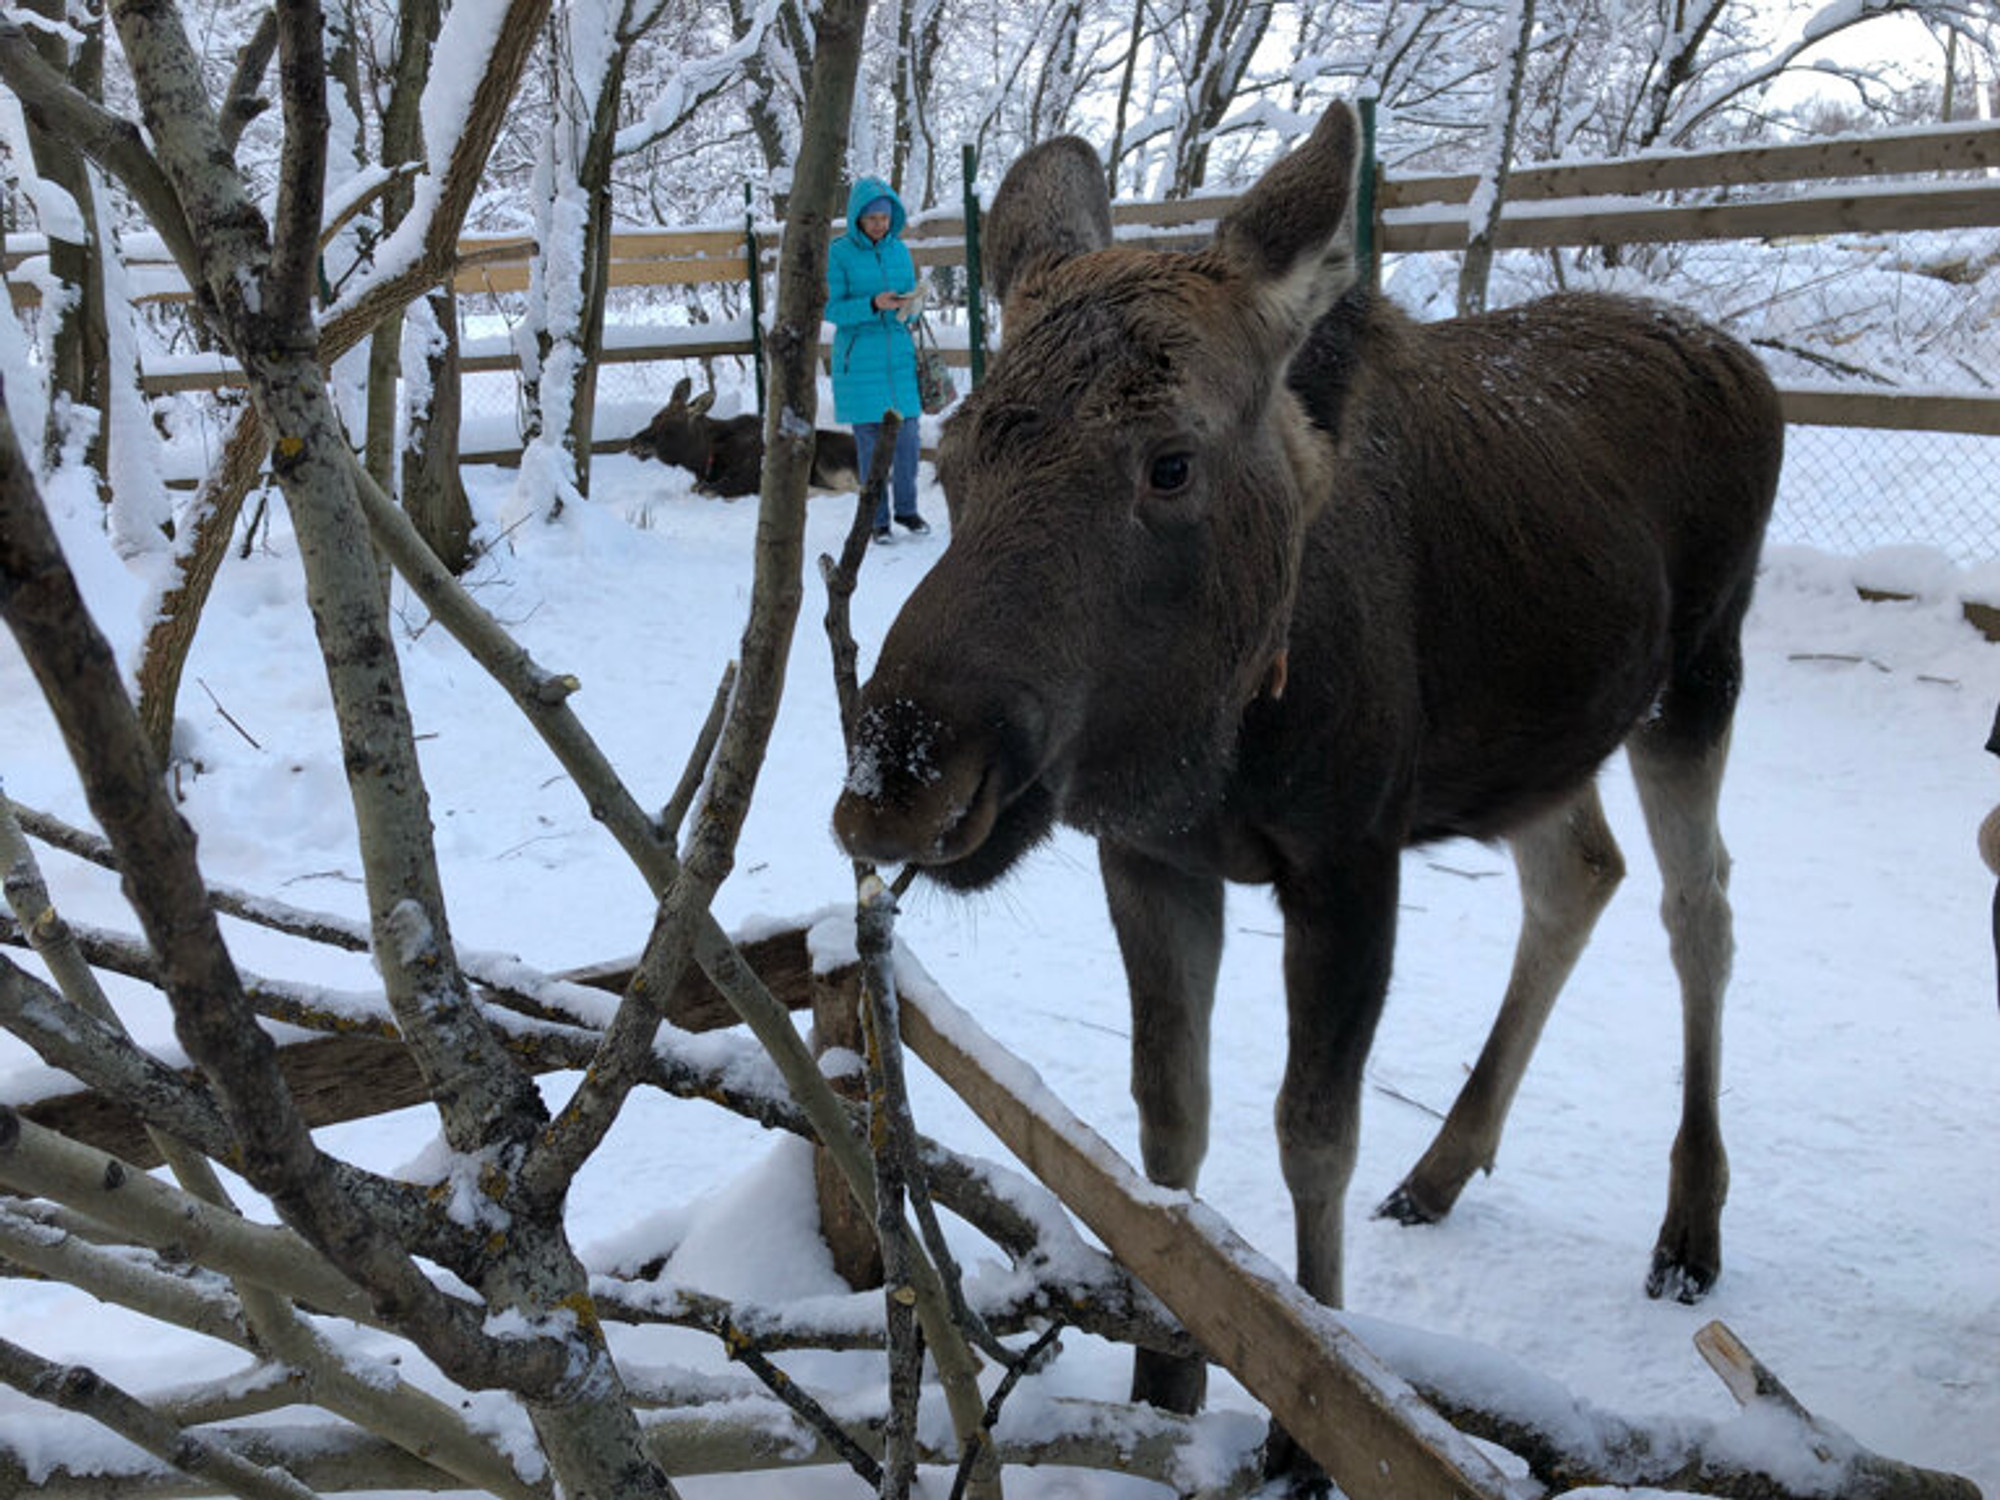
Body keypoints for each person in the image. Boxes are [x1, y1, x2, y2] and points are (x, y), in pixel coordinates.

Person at [827, 176, 929, 543]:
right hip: (859, 361)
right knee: (871, 448)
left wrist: (912, 306)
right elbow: (831, 308)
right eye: (873, 219)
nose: (880, 225)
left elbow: (911, 304)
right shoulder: (839, 253)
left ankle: (907, 509)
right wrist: (872, 304)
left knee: (909, 441)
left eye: (885, 218)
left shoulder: (899, 250)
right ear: (858, 218)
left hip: (898, 358)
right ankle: (877, 520)